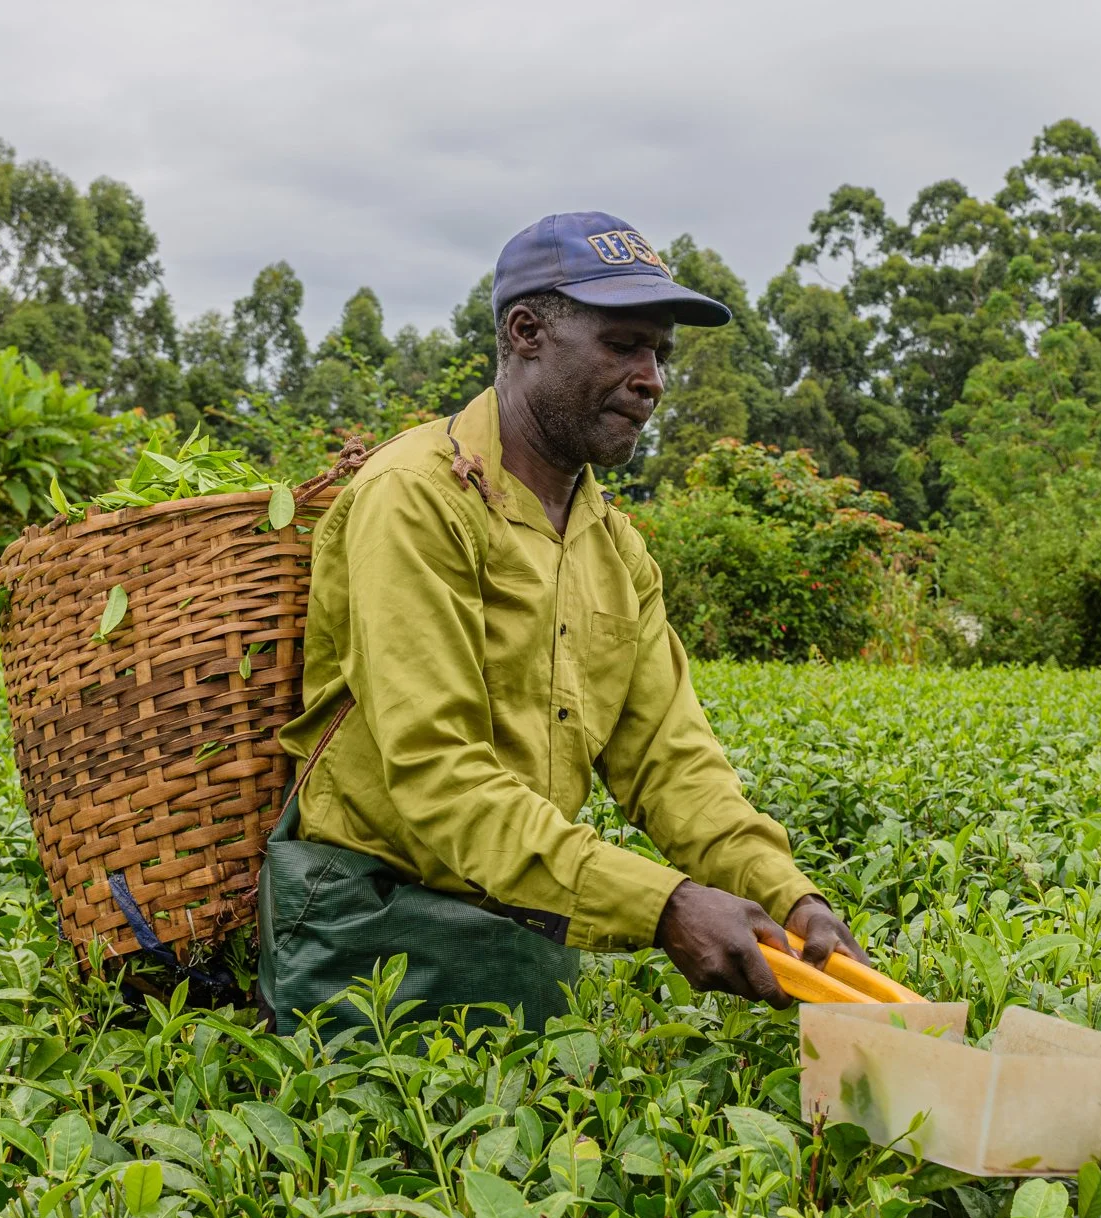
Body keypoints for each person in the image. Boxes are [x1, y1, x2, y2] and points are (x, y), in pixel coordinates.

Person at [259, 212, 867, 1036]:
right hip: (370, 938)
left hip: (526, 929)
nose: (652, 377)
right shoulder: (414, 499)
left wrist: (788, 895)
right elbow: (440, 778)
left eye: (660, 354)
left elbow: (672, 763)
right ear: (526, 332)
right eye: (623, 345)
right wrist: (666, 906)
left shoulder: (615, 549)